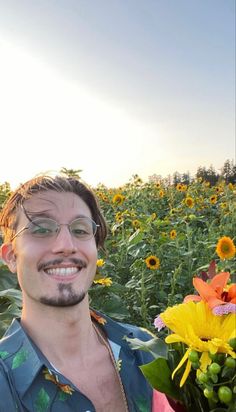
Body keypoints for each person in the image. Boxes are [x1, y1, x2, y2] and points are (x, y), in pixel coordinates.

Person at [0, 175, 175, 412]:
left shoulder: (146, 350)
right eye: (41, 229)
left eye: (80, 230)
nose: (66, 244)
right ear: (10, 256)